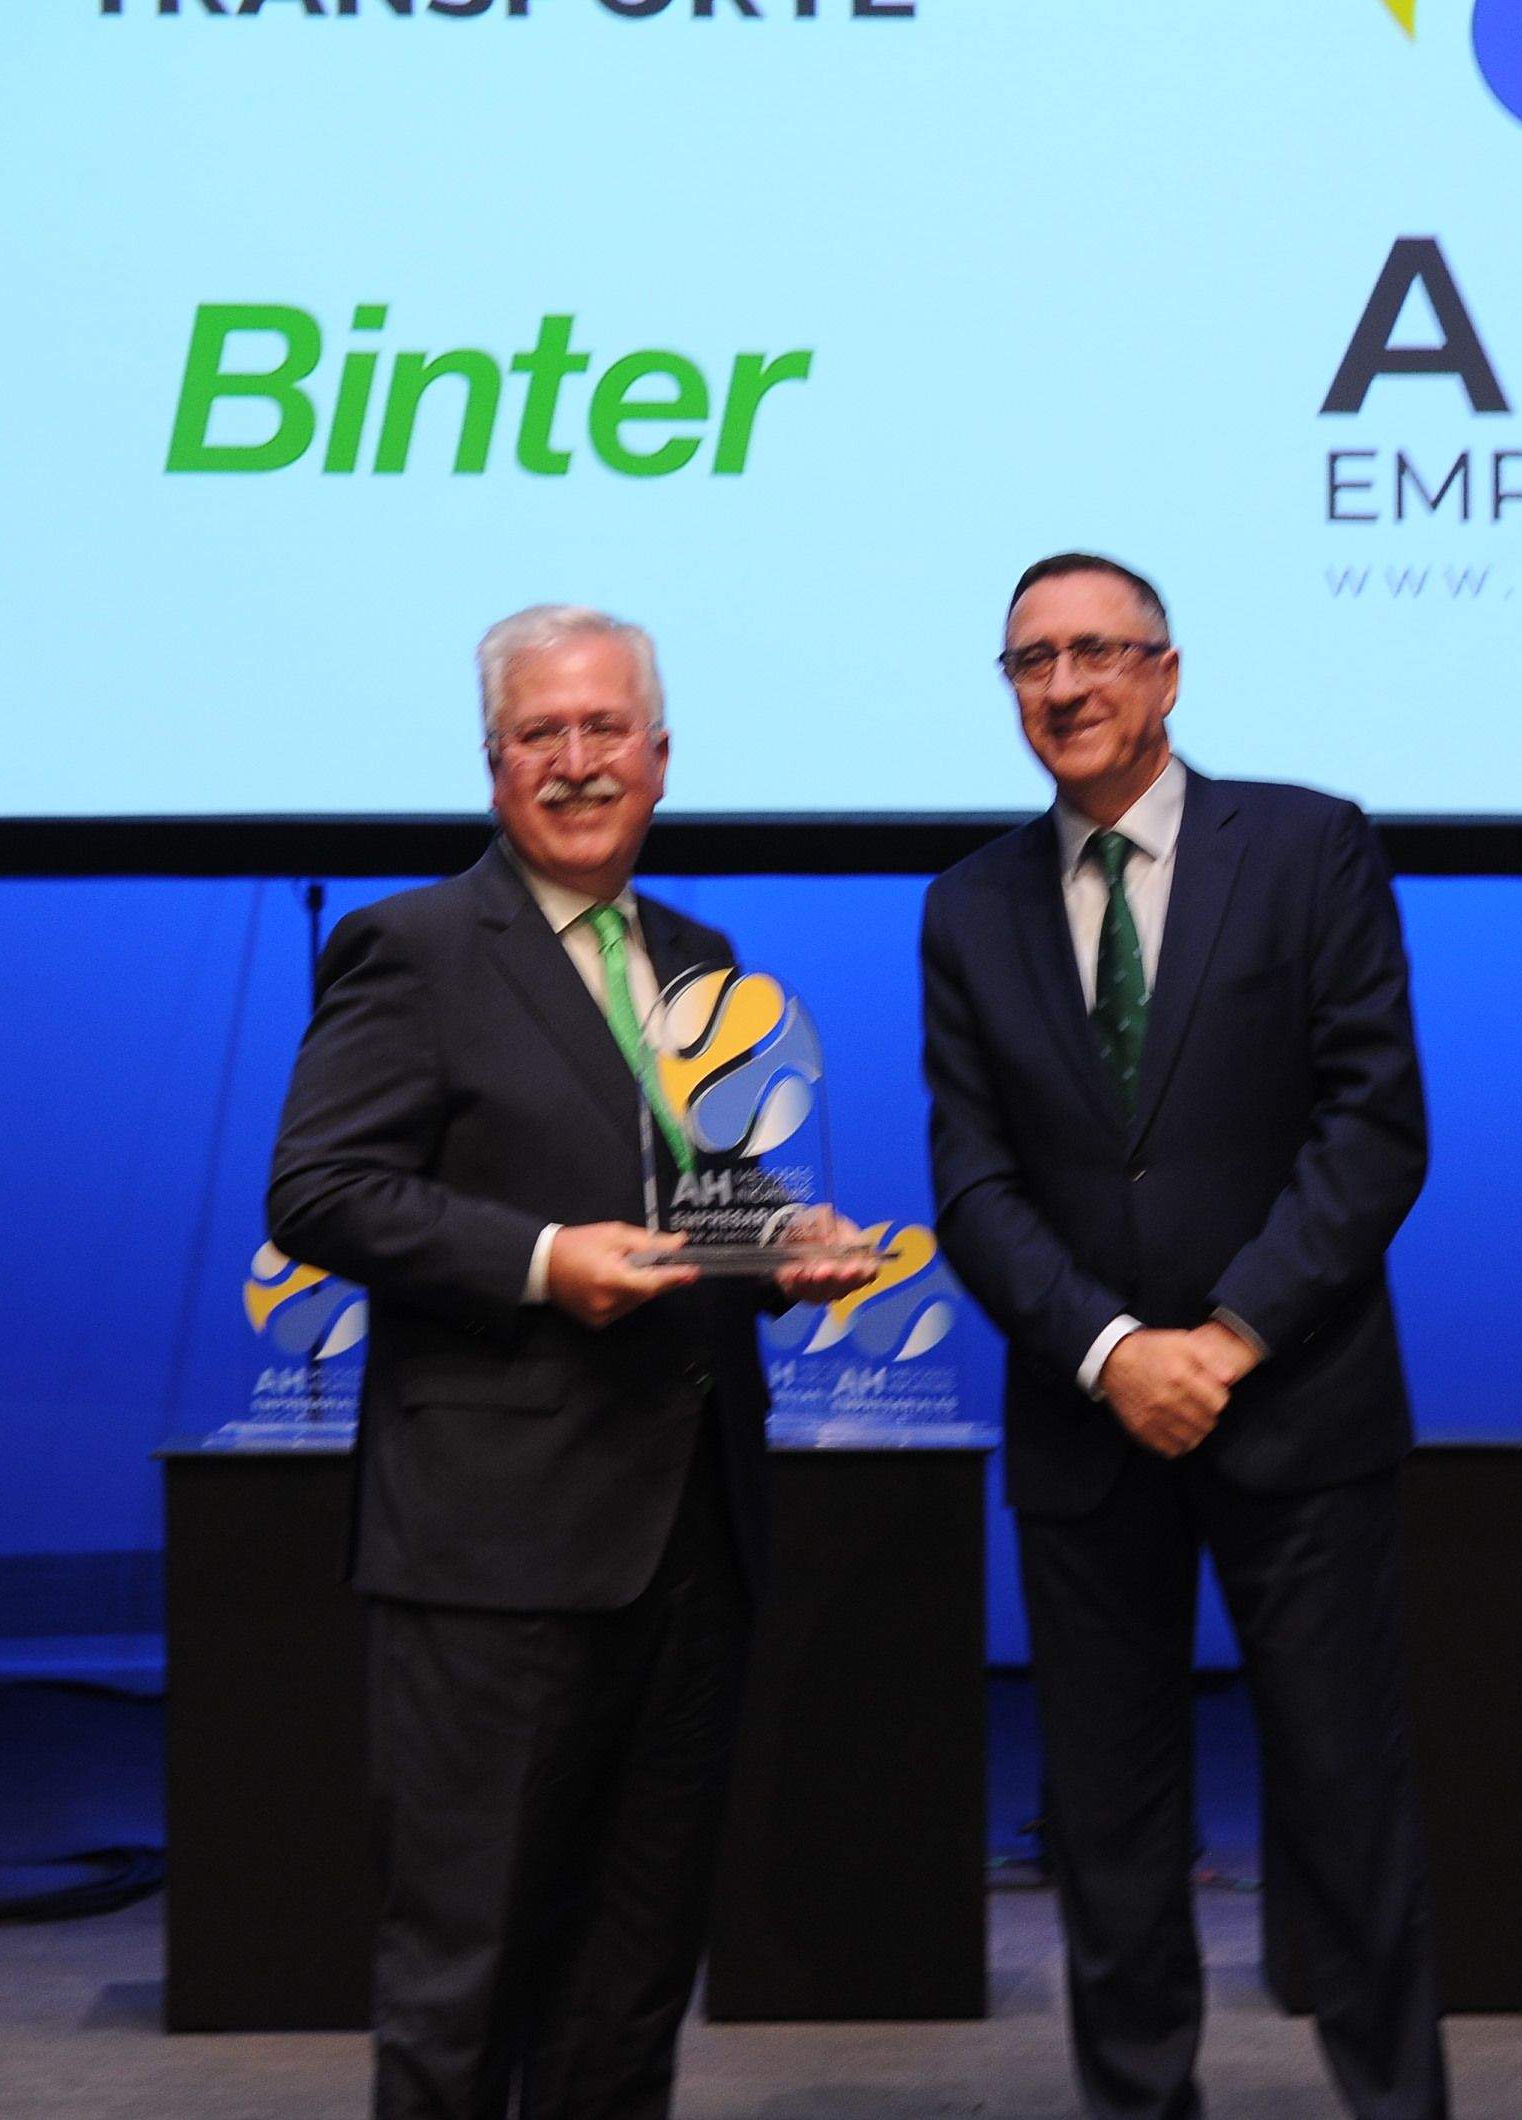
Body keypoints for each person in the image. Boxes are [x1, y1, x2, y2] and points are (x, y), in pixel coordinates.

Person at [266, 604, 874, 2120]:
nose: (579, 760)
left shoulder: (699, 959)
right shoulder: (405, 947)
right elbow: (321, 1189)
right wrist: (545, 1263)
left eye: (607, 729)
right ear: (494, 768)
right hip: (493, 1549)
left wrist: (778, 1249)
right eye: (543, 733)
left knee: (632, 1974)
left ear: (662, 758)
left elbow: (685, 1196)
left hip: (692, 1544)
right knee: (464, 1975)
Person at [921, 554, 1449, 2119]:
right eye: (1030, 663)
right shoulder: (966, 907)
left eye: (1096, 653)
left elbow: (1376, 1129)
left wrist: (1223, 1339)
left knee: (1350, 1803)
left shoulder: (1307, 845)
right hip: (1090, 1433)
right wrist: (1110, 1354)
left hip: (1299, 1410)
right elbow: (974, 1186)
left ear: (1165, 674)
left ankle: (1396, 2101)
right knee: (1111, 1820)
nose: (1064, 687)